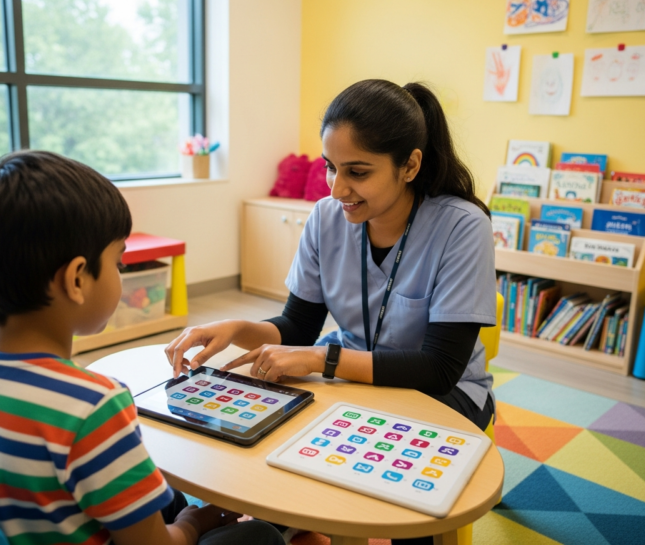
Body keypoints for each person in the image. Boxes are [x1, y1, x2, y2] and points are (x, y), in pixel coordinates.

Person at [168, 77, 496, 539]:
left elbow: (439, 368)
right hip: (349, 375)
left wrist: (323, 359)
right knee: (281, 440)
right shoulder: (326, 217)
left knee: (405, 494)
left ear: (410, 165)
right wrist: (236, 328)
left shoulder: (462, 226)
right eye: (330, 167)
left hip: (444, 391)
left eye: (357, 172)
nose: (338, 188)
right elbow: (298, 326)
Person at [0, 151, 284, 545]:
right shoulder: (92, 406)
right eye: (119, 262)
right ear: (76, 280)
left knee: (166, 497)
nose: (121, 272)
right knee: (258, 535)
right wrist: (192, 525)